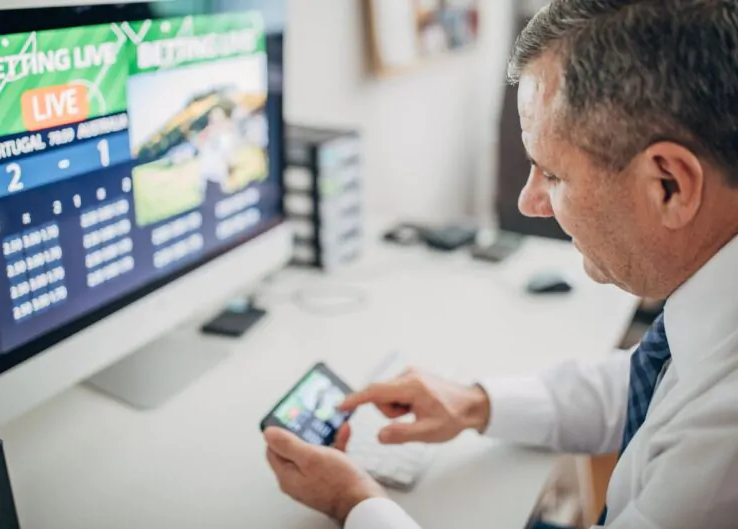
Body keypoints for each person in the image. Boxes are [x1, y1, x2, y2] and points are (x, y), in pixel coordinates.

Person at [263, 1, 738, 527]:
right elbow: (637, 387)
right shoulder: (706, 322)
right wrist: (474, 404)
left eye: (551, 174)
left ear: (669, 185)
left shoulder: (722, 450)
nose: (528, 202)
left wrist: (354, 503)